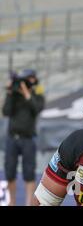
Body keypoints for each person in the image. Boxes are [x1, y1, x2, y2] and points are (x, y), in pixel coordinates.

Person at [2, 69, 45, 206]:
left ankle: (28, 203)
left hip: (28, 139)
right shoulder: (14, 96)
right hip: (12, 138)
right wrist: (9, 92)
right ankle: (12, 202)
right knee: (9, 172)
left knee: (29, 172)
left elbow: (36, 109)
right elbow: (6, 111)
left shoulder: (37, 96)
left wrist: (27, 93)